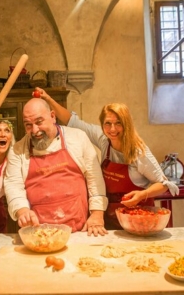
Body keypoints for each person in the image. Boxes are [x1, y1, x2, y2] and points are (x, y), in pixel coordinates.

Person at [35, 87, 179, 229]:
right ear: (102, 125)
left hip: (138, 219)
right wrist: (48, 98)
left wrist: (142, 194)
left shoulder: (139, 152)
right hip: (111, 218)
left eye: (118, 123)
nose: (112, 129)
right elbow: (72, 121)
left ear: (126, 124)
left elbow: (163, 184)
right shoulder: (104, 140)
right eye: (107, 124)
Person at [4, 98, 109, 236]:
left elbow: (94, 178)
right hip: (38, 234)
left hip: (79, 230)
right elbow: (13, 185)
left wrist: (97, 214)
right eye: (28, 125)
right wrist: (22, 211)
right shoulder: (17, 150)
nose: (35, 130)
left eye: (39, 122)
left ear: (52, 116)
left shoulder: (78, 138)